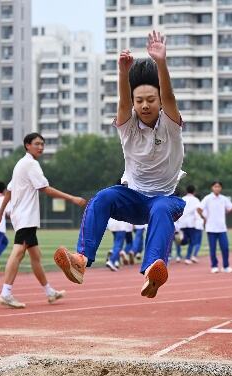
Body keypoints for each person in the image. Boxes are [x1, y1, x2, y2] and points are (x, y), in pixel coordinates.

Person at [53, 30, 186, 299]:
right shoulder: (128, 128)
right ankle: (81, 260)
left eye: (151, 100)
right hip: (133, 198)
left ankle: (152, 272)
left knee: (160, 208)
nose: (145, 105)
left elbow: (170, 97)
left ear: (160, 103)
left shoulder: (170, 126)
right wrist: (123, 73)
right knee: (102, 197)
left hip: (164, 199)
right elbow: (123, 103)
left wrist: (161, 63)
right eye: (140, 101)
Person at [0, 133, 87, 309]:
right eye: (37, 144)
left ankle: (49, 292)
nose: (41, 147)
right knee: (19, 251)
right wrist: (72, 198)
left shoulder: (21, 164)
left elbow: (9, 191)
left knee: (36, 257)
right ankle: (5, 293)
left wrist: (0, 214)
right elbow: (45, 188)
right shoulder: (30, 164)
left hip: (22, 215)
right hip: (25, 216)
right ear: (27, 145)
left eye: (42, 144)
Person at [198, 181, 232, 273]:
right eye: (215, 186)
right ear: (212, 188)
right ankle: (214, 266)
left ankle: (225, 266)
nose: (217, 188)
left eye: (219, 187)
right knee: (213, 248)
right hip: (211, 228)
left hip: (222, 228)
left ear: (221, 188)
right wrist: (204, 218)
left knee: (225, 248)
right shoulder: (207, 198)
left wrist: (226, 212)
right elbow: (199, 209)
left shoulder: (223, 199)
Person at [180, 185, 203, 265]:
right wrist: (202, 217)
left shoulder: (182, 199)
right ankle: (187, 257)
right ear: (194, 191)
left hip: (182, 223)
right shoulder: (196, 200)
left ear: (186, 191)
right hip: (191, 223)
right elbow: (199, 209)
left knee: (185, 239)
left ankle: (182, 240)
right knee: (192, 242)